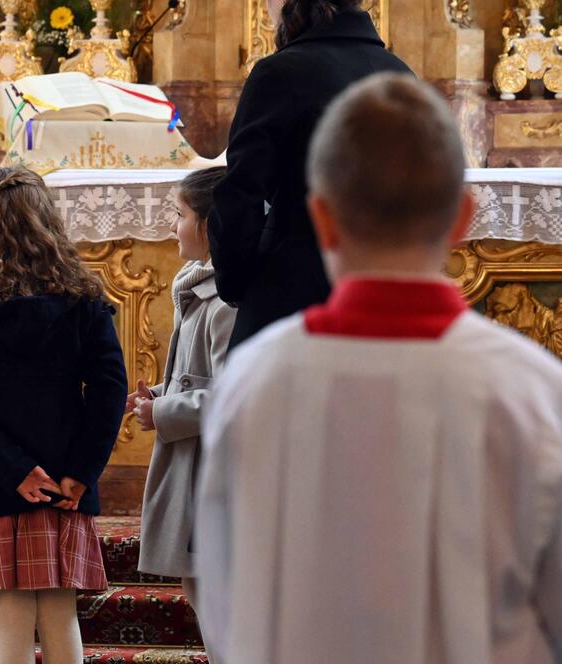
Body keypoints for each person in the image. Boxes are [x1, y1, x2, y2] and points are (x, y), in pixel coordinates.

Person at [195, 74, 562, 664]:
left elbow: (224, 593)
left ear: (322, 218)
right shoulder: (533, 388)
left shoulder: (254, 380)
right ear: (463, 218)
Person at [0, 167, 128, 664]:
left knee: (11, 620)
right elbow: (109, 388)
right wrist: (82, 470)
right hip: (64, 481)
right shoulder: (81, 297)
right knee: (60, 617)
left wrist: (13, 470)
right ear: (45, 222)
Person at [208, 0, 411, 349]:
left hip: (289, 297)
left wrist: (236, 284)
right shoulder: (400, 74)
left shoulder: (278, 73)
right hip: (380, 297)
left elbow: (240, 195)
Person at [130, 167, 234, 662]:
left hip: (214, 476)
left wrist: (165, 411)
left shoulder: (225, 303)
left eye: (180, 215)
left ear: (211, 226)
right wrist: (161, 394)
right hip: (197, 466)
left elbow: (236, 396)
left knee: (221, 612)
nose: (172, 226)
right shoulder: (202, 292)